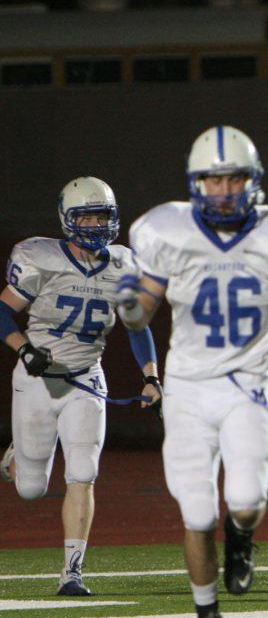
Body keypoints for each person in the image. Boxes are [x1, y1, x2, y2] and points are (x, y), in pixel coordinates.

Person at [119, 126, 268, 618]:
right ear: (196, 183)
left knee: (247, 501)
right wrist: (128, 306)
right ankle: (206, 611)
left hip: (247, 385)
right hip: (188, 388)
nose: (225, 191)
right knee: (196, 512)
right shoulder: (169, 231)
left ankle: (242, 534)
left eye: (234, 179)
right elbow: (142, 311)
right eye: (214, 180)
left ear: (253, 182)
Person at [0, 176, 162, 596]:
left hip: (88, 379)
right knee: (31, 488)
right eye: (86, 216)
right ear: (67, 219)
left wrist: (150, 376)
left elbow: (135, 325)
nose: (94, 225)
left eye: (102, 216)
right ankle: (16, 454)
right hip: (37, 377)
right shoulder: (40, 257)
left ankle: (73, 571)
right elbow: (2, 312)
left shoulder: (124, 265)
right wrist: (22, 348)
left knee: (83, 473)